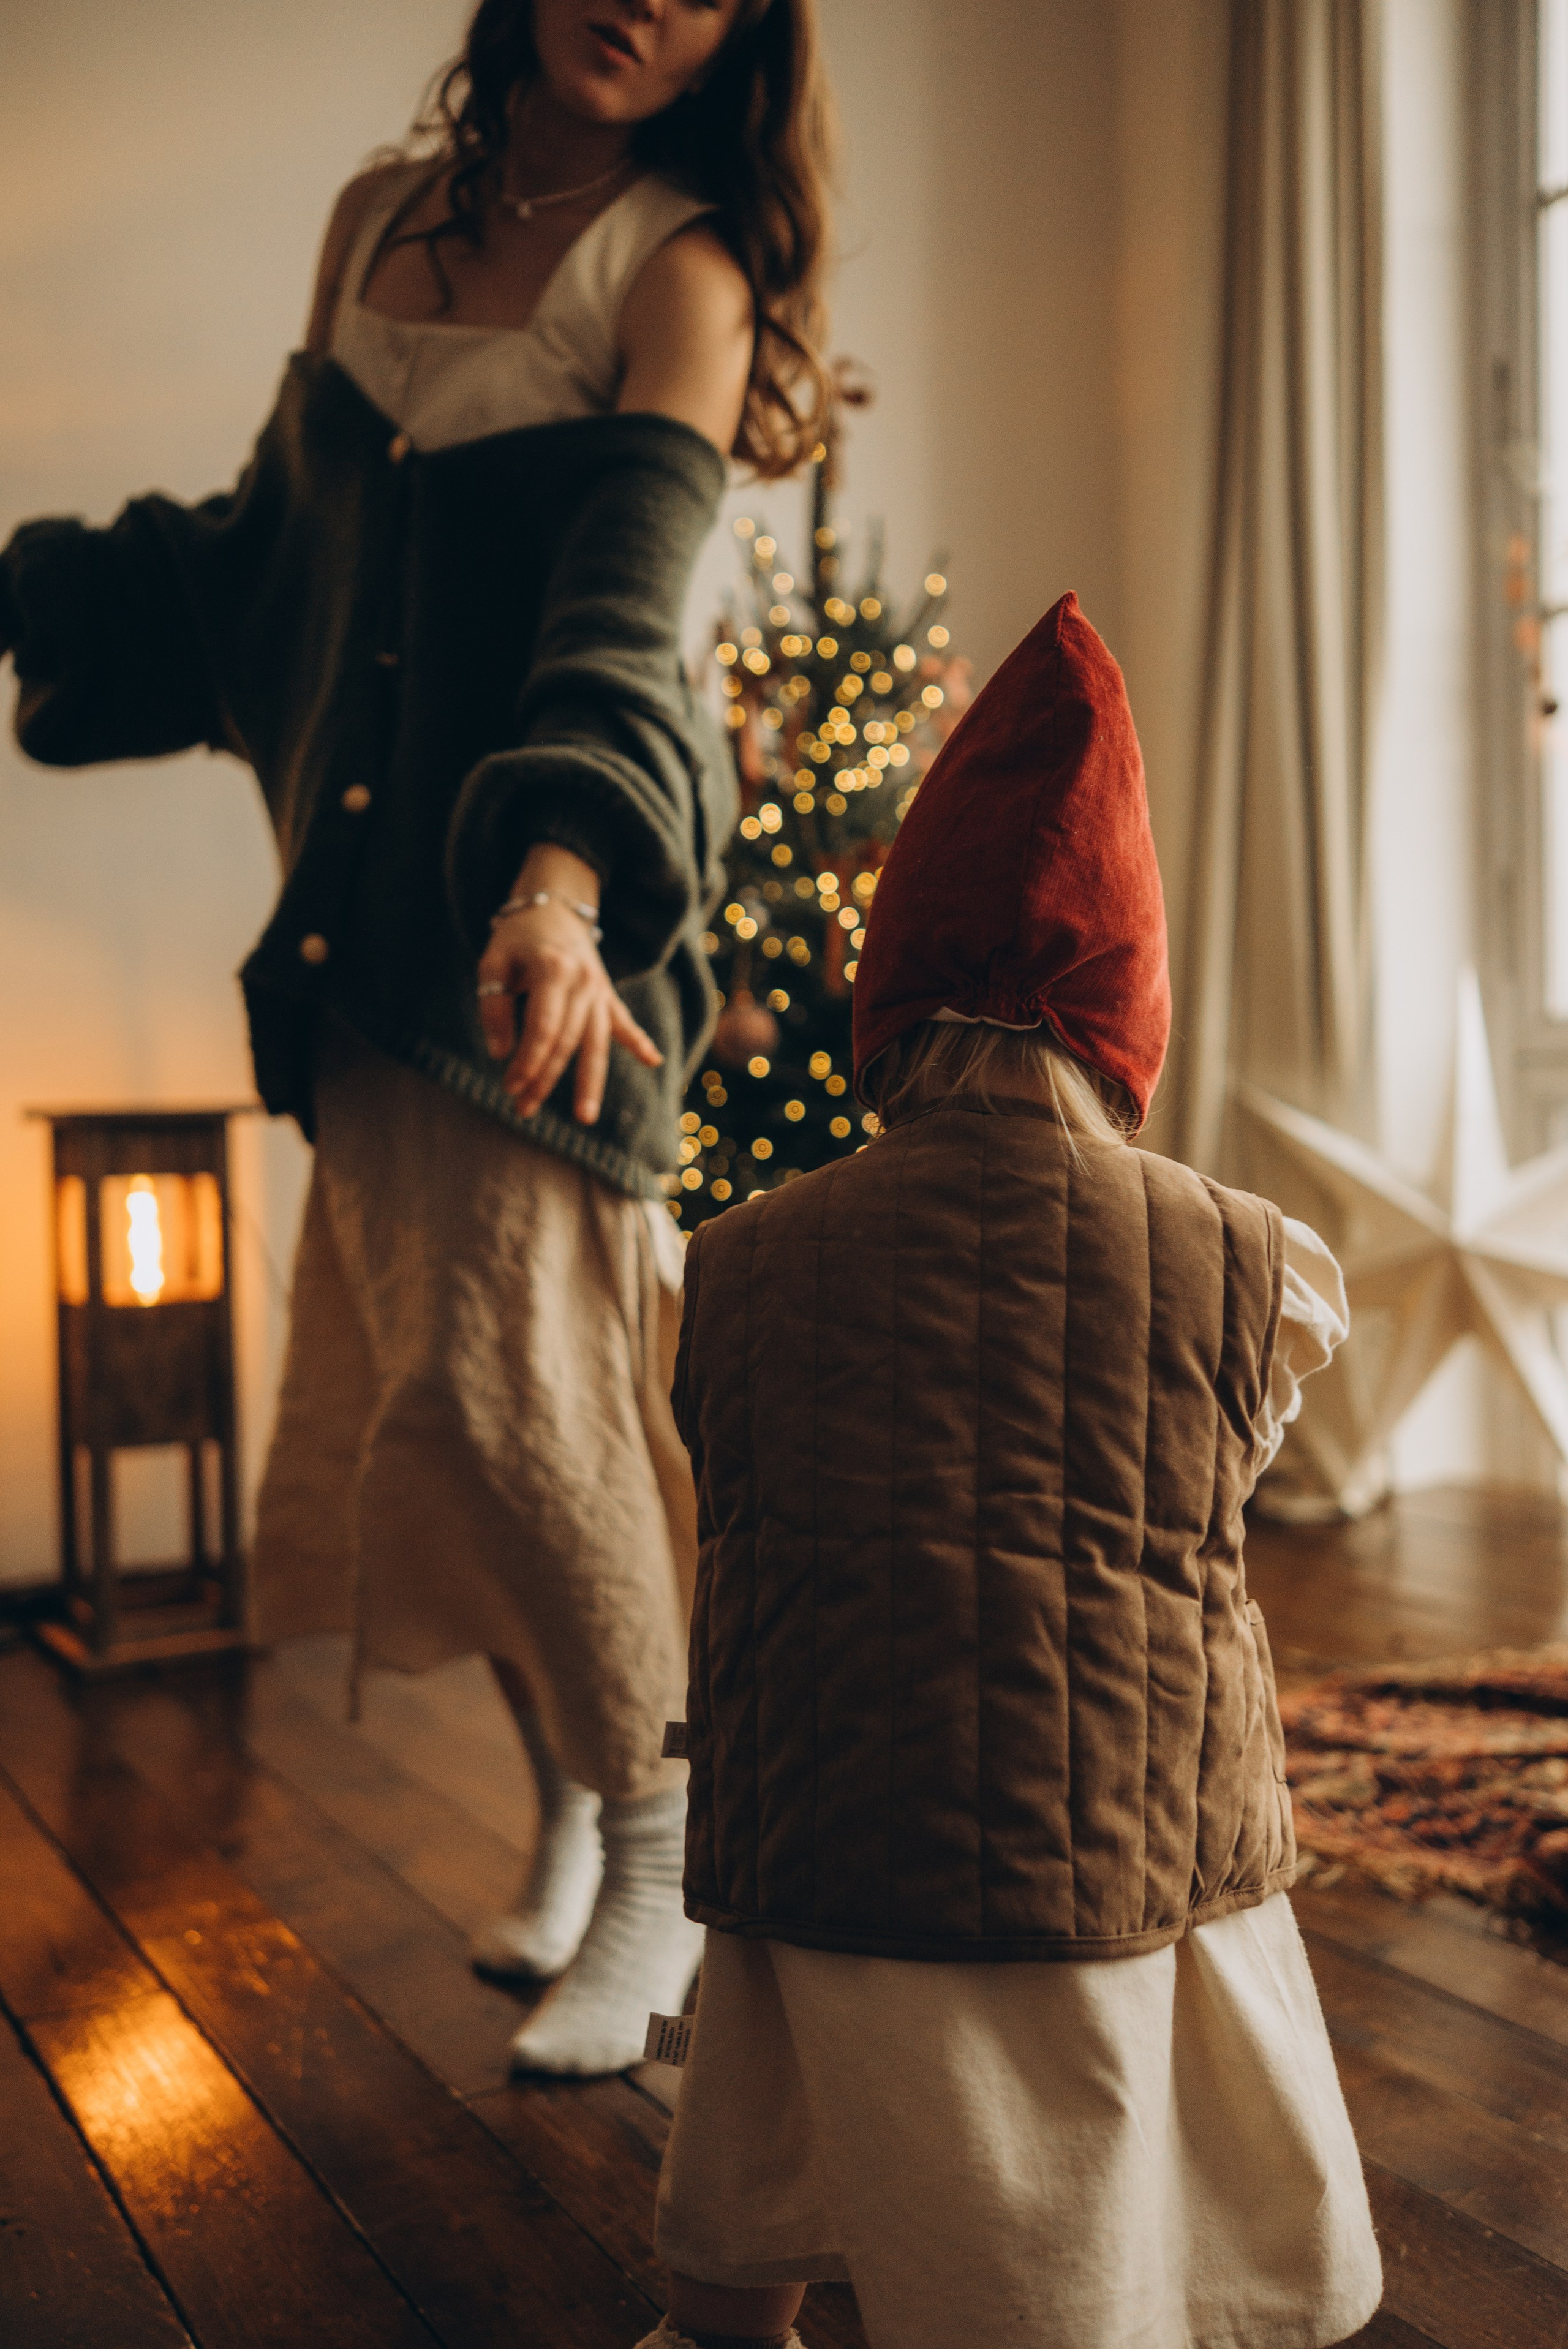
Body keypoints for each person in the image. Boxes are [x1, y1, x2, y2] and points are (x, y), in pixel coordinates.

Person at [0, 0, 832, 2076]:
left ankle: (660, 1861)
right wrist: (29, 588)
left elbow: (623, 625)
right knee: (439, 1418)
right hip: (360, 940)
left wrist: (555, 889)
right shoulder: (379, 216)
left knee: (540, 1427)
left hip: (534, 962)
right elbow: (270, 557)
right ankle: (570, 1807)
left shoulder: (684, 276)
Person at [641, 595, 1384, 2349]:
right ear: (1128, 1007)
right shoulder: (1249, 1261)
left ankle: (733, 2312)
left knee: (757, 2146)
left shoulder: (733, 1259)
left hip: (818, 1853)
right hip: (1119, 1858)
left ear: (883, 989)